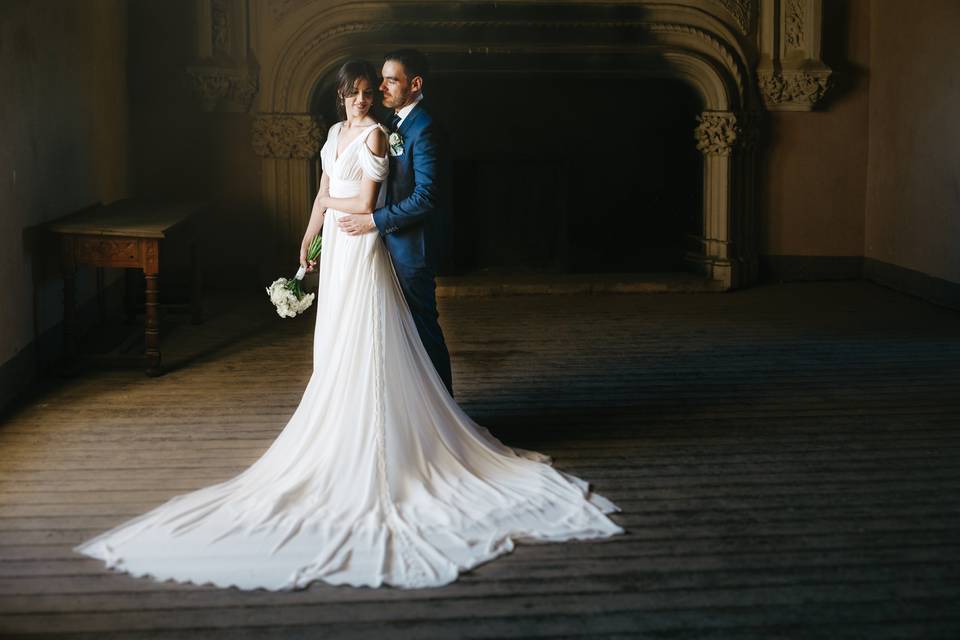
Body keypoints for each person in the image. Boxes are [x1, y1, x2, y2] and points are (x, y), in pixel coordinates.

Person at [72, 56, 625, 591]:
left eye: (372, 87)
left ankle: (411, 431)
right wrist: (309, 241)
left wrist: (334, 209)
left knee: (380, 335)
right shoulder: (335, 133)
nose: (365, 96)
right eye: (357, 89)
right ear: (341, 94)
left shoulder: (378, 136)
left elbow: (363, 198)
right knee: (336, 340)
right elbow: (322, 195)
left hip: (363, 243)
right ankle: (348, 416)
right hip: (338, 244)